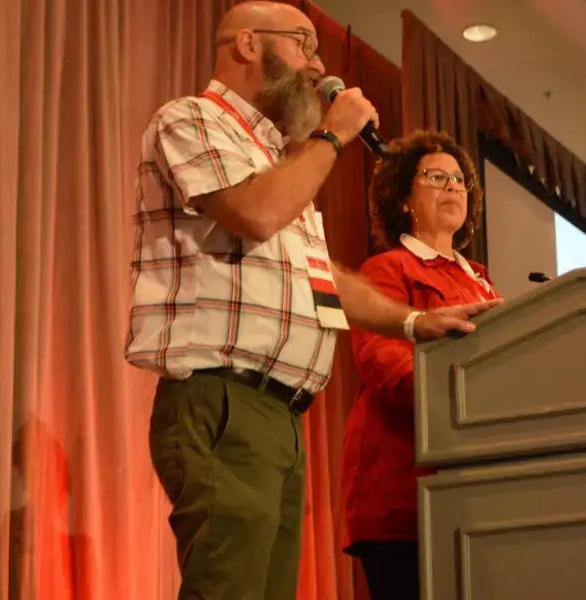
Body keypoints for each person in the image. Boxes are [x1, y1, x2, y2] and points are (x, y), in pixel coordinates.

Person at [124, 3, 500, 599]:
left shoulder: (280, 157)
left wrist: (412, 320)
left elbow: (320, 275)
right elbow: (255, 213)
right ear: (247, 44)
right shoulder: (192, 119)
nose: (318, 64)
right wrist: (333, 134)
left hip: (280, 414)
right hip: (224, 395)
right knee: (228, 588)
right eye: (303, 43)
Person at [341, 130, 501, 599]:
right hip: (404, 495)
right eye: (436, 177)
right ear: (404, 198)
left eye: (458, 180)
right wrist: (469, 396)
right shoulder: (388, 269)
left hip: (475, 492)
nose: (452, 187)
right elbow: (384, 365)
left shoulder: (482, 281)